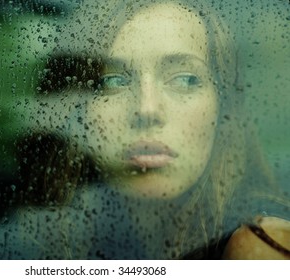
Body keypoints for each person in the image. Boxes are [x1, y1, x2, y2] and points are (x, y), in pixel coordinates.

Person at [18, 0, 290, 259]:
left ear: (222, 107)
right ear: (75, 107)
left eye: (184, 79)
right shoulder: (44, 237)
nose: (146, 109)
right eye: (111, 81)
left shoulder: (258, 248)